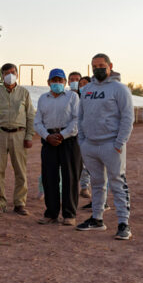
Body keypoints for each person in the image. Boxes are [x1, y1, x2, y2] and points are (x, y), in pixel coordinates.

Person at [76, 53, 134, 240]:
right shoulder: (87, 90)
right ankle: (97, 219)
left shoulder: (120, 89)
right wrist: (82, 141)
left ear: (110, 66)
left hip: (111, 145)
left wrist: (119, 142)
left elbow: (127, 118)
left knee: (117, 183)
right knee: (97, 183)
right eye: (94, 66)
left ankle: (124, 224)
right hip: (90, 145)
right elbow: (81, 116)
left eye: (101, 65)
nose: (98, 69)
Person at [34, 68, 81, 226]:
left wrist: (62, 135)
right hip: (48, 140)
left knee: (70, 177)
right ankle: (51, 213)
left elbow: (77, 120)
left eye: (60, 81)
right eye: (54, 81)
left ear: (65, 83)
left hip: (68, 140)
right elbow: (37, 122)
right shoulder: (42, 99)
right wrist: (47, 136)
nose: (57, 83)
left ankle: (69, 214)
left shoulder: (72, 97)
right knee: (49, 177)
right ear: (48, 83)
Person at [0, 63, 35, 216]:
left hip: (19, 135)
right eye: (6, 73)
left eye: (13, 72)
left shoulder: (24, 93)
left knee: (20, 171)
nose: (10, 75)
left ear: (17, 74)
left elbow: (30, 115)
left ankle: (20, 203)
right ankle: (0, 203)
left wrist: (29, 136)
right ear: (2, 75)